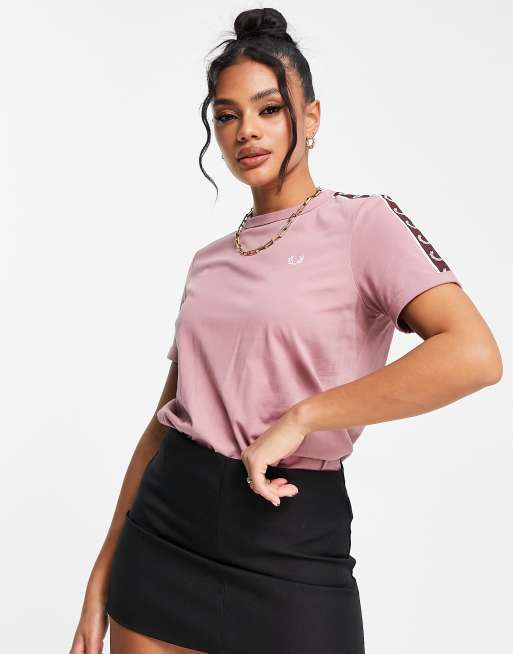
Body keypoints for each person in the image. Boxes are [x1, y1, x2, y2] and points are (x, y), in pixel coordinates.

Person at [70, 7, 503, 654]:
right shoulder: (209, 262)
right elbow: (165, 421)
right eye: (226, 115)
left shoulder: (363, 226)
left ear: (312, 116)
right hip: (163, 538)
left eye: (269, 109)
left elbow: (474, 355)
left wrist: (303, 417)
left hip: (293, 538)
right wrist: (102, 571)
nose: (246, 130)